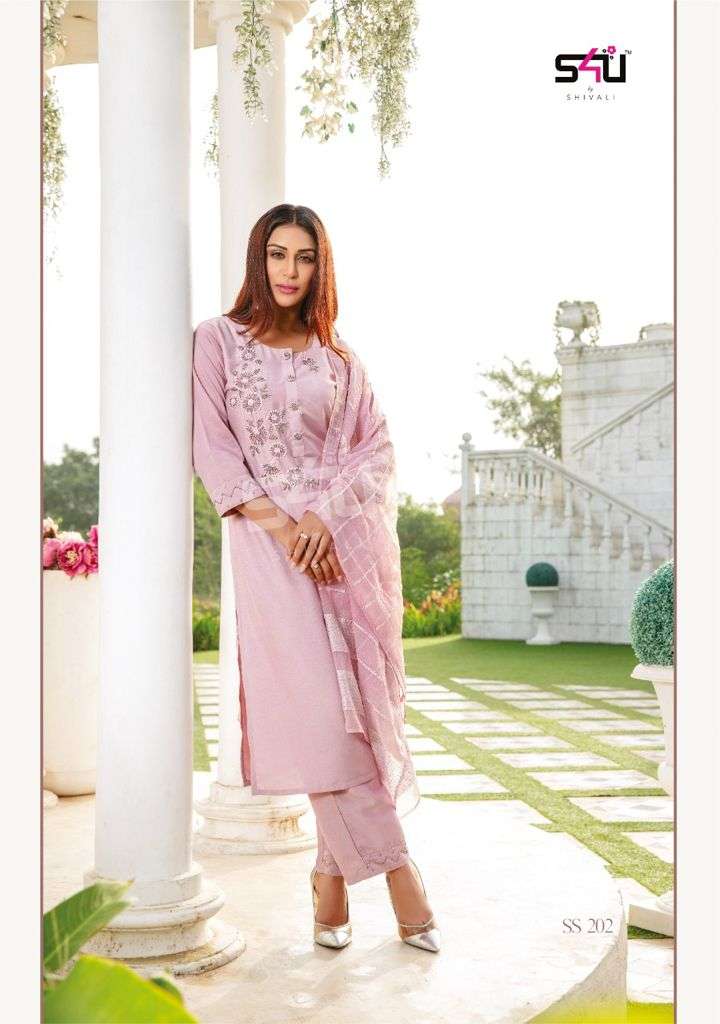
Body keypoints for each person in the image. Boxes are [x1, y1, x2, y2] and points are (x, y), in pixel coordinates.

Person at [191, 203, 440, 953]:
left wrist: (325, 520)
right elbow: (214, 450)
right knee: (319, 716)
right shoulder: (218, 341)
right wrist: (289, 528)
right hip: (270, 549)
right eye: (277, 254)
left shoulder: (341, 361)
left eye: (304, 257)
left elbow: (377, 449)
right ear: (257, 259)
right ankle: (403, 879)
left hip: (339, 547)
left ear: (320, 266)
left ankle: (329, 885)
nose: (289, 271)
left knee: (351, 713)